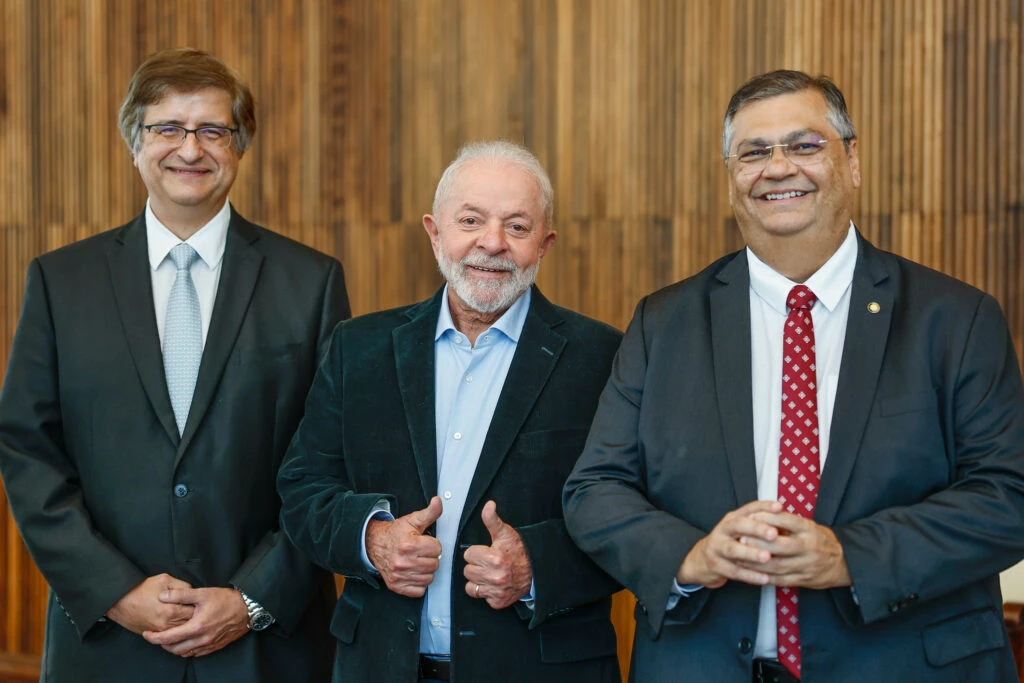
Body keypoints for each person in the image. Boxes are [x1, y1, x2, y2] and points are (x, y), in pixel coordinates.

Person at [563, 69, 1024, 682]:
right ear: (732, 176)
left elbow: (1008, 497)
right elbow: (595, 489)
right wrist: (690, 555)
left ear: (852, 161)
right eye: (754, 152)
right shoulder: (662, 323)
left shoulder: (956, 319)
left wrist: (849, 556)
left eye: (804, 146)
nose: (778, 168)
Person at [0, 48, 349, 682]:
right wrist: (114, 590)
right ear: (135, 143)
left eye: (212, 130)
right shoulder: (61, 282)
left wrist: (251, 600)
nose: (190, 149)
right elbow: (27, 450)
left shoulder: (311, 283)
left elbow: (333, 459)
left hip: (266, 649)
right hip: (106, 646)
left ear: (239, 147)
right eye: (168, 128)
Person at [277, 140, 623, 683]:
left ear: (545, 244)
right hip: (380, 667)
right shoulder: (358, 347)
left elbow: (633, 510)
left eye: (517, 226)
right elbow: (302, 488)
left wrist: (538, 566)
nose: (492, 242)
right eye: (470, 220)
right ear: (435, 233)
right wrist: (370, 540)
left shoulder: (604, 357)